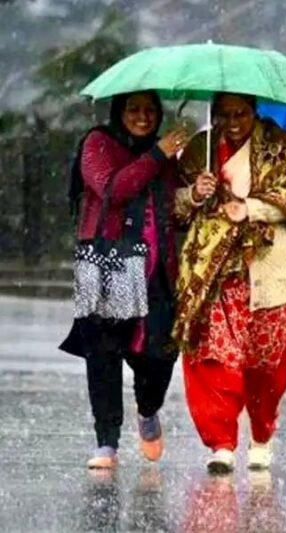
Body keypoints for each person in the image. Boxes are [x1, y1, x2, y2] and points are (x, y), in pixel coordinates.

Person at [173, 92, 286, 474]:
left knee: (265, 364)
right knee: (214, 355)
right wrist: (194, 194)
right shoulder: (200, 149)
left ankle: (262, 434)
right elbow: (173, 205)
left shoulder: (282, 145)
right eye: (225, 115)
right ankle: (221, 442)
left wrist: (250, 208)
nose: (233, 123)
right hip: (214, 271)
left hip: (269, 267)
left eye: (241, 114)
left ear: (254, 111)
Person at [59, 91, 189, 469]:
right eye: (134, 109)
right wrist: (157, 155)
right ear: (119, 111)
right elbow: (113, 190)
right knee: (104, 354)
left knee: (159, 353)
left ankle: (148, 408)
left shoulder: (165, 154)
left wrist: (195, 195)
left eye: (150, 110)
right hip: (106, 257)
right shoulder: (98, 143)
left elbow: (175, 213)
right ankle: (107, 442)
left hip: (156, 268)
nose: (143, 117)